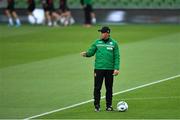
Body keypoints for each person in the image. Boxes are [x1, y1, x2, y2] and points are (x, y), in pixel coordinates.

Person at [80, 26, 120, 112]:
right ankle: (97, 106)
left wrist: (116, 68)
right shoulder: (97, 42)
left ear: (107, 33)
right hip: (99, 69)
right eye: (101, 32)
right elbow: (91, 52)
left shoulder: (114, 43)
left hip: (110, 69)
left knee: (109, 88)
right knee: (97, 87)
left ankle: (109, 106)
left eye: (102, 32)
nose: (101, 34)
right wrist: (86, 54)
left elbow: (117, 57)